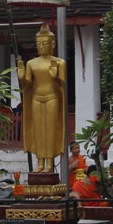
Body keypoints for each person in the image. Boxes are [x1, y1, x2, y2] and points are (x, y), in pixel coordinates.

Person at [17, 24, 66, 172]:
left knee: (50, 130)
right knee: (38, 130)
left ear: (53, 44)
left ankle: (50, 164)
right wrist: (22, 79)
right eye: (39, 44)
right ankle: (40, 163)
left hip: (52, 97)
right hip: (36, 98)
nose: (41, 46)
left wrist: (55, 77)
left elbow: (62, 85)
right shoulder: (31, 63)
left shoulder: (59, 62)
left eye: (45, 43)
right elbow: (28, 85)